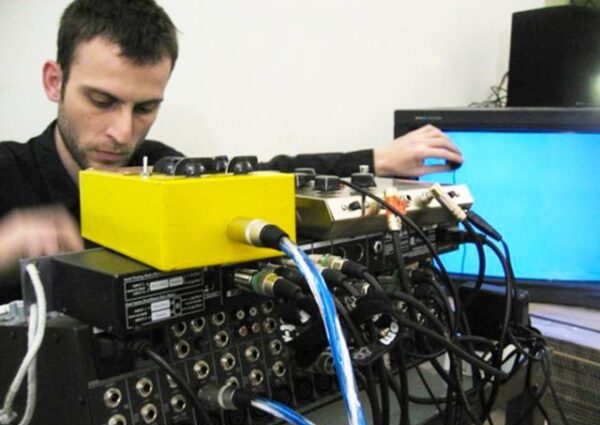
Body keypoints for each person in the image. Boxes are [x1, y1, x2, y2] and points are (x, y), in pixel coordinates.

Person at [0, 0, 462, 302]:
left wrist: (375, 161)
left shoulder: (160, 164)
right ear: (55, 82)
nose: (122, 133)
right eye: (102, 101)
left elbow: (263, 175)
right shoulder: (6, 173)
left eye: (145, 108)